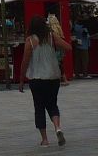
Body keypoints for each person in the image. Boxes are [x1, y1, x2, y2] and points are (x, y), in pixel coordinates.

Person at [19, 15, 72, 146]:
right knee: (52, 104)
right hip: (53, 77)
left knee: (39, 107)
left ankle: (45, 139)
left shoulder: (30, 41)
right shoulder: (51, 36)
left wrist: (21, 80)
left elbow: (25, 62)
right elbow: (68, 48)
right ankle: (58, 128)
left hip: (36, 79)